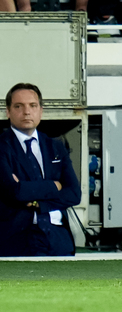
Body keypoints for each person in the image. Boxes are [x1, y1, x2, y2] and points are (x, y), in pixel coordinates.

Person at [0, 83, 82, 256]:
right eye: (18, 106)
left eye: (33, 105)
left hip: (59, 239)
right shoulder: (2, 147)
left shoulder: (55, 146)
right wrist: (54, 186)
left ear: (41, 110)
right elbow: (14, 191)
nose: (27, 111)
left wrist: (37, 201)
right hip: (18, 238)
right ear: (8, 111)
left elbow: (74, 193)